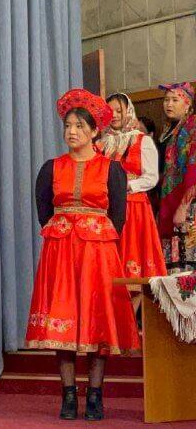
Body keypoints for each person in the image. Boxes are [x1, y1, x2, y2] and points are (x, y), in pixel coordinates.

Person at [26, 89, 139, 421]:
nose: (72, 132)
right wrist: (66, 230)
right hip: (60, 252)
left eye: (79, 126)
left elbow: (118, 216)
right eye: (68, 126)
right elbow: (44, 211)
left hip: (98, 253)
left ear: (94, 131)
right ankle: (68, 395)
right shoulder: (51, 168)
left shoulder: (111, 169)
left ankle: (95, 395)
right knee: (62, 319)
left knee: (96, 320)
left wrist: (93, 232)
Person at [96, 93, 166, 315]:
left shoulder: (142, 140)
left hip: (134, 208)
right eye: (110, 111)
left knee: (133, 268)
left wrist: (126, 186)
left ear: (129, 111)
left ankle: (129, 319)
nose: (115, 115)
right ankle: (114, 321)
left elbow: (151, 177)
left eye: (119, 110)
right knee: (109, 268)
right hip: (107, 210)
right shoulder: (100, 144)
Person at [157, 83, 196, 272]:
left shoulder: (192, 127)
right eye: (166, 100)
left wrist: (184, 206)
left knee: (187, 268)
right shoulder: (170, 131)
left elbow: (194, 167)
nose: (169, 104)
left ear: (187, 104)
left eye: (174, 100)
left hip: (188, 206)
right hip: (171, 203)